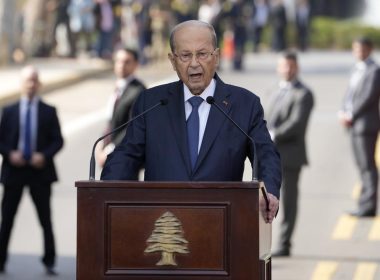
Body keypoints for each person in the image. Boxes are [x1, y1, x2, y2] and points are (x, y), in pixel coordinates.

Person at [100, 20, 281, 223]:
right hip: (161, 229)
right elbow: (126, 156)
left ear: (217, 57)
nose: (194, 63)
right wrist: (103, 193)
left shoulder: (244, 104)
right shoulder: (151, 103)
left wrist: (269, 191)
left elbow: (266, 155)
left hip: (223, 225)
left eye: (202, 54)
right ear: (173, 61)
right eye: (185, 55)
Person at [0, 66, 64, 275]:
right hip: (14, 171)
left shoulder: (49, 110)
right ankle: (0, 261)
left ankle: (49, 261)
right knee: (7, 219)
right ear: (21, 83)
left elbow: (58, 140)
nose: (31, 84)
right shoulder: (9, 111)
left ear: (39, 84)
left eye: (34, 80)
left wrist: (43, 156)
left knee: (45, 219)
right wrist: (10, 154)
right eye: (27, 80)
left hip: (40, 172)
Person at [266, 51, 314, 257]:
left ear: (297, 68)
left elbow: (296, 124)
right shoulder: (275, 90)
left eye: (291, 66)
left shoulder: (304, 94)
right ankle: (262, 242)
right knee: (266, 200)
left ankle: (285, 243)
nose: (287, 70)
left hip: (290, 155)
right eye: (284, 66)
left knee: (288, 200)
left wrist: (272, 134)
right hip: (270, 156)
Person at [338, 37, 380, 217]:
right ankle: (364, 203)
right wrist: (343, 110)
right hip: (355, 124)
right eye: (355, 49)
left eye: (361, 49)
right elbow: (350, 94)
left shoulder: (374, 70)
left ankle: (368, 206)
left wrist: (351, 114)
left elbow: (368, 96)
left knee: (367, 165)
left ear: (369, 50)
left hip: (366, 125)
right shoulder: (357, 68)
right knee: (361, 165)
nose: (358, 53)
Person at [95, 48, 146, 166]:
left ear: (136, 64)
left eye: (126, 62)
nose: (121, 65)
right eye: (118, 61)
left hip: (125, 157)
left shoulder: (138, 90)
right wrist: (100, 144)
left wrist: (109, 150)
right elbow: (111, 122)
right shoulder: (118, 87)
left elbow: (131, 126)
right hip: (110, 154)